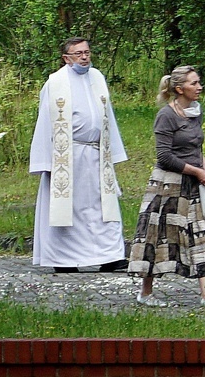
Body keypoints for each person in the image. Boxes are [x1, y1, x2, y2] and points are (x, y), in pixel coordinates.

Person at [128, 66, 205, 309]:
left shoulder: (196, 113)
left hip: (193, 184)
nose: (199, 87)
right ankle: (146, 291)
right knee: (158, 236)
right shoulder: (166, 115)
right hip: (168, 186)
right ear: (179, 88)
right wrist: (196, 171)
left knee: (200, 234)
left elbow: (196, 149)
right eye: (194, 83)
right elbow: (164, 156)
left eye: (199, 82)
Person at [30, 37, 129, 273]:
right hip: (68, 155)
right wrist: (46, 160)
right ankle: (65, 259)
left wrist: (113, 149)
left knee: (102, 206)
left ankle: (110, 255)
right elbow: (45, 122)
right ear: (66, 58)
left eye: (87, 52)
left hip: (96, 153)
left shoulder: (97, 78)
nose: (84, 57)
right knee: (68, 208)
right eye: (78, 53)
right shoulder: (55, 83)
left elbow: (108, 116)